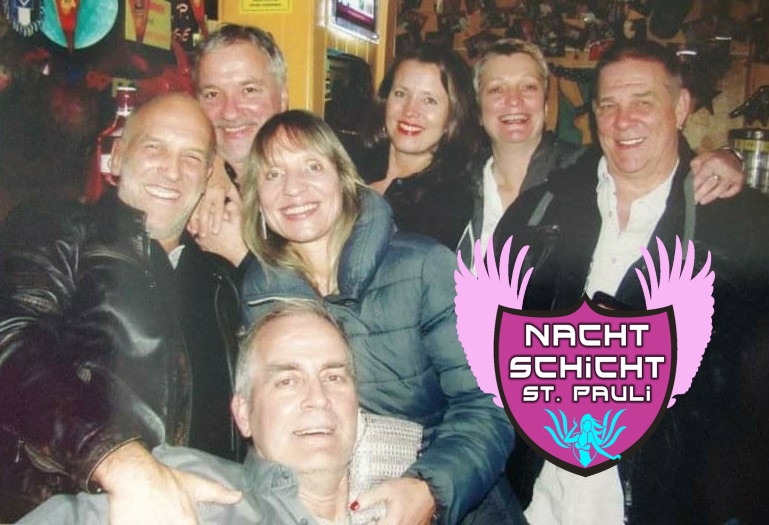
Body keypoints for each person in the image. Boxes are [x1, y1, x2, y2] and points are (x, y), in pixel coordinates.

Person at [492, 39, 769, 524]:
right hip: (537, 506)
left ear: (680, 107)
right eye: (608, 105)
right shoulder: (540, 212)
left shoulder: (742, 227)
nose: (624, 121)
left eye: (643, 102)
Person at [239, 109, 522, 524]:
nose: (293, 188)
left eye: (312, 167)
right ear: (257, 198)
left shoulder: (424, 267)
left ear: (343, 178)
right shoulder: (258, 298)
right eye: (273, 174)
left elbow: (491, 404)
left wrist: (429, 490)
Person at [0, 93, 243, 523]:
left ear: (208, 175)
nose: (172, 170)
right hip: (73, 508)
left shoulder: (219, 276)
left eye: (191, 157)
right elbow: (12, 342)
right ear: (116, 157)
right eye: (155, 148)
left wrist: (246, 260)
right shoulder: (58, 228)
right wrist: (117, 461)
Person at [21, 300, 361, 524]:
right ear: (244, 414)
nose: (318, 398)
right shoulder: (194, 492)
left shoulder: (387, 499)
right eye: (287, 381)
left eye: (334, 377)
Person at [458, 37, 745, 269]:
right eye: (496, 90)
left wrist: (729, 158)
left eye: (528, 87)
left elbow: (653, 159)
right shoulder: (453, 184)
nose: (513, 101)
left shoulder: (583, 173)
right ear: (478, 110)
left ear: (546, 105)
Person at [353, 43, 481, 249]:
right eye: (401, 94)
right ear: (385, 101)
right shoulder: (346, 165)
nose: (410, 110)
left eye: (429, 100)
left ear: (453, 117)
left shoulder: (451, 201)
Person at [187, 23, 288, 253]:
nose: (230, 112)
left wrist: (242, 257)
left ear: (282, 99)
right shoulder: (178, 187)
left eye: (249, 90)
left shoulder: (314, 194)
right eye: (212, 94)